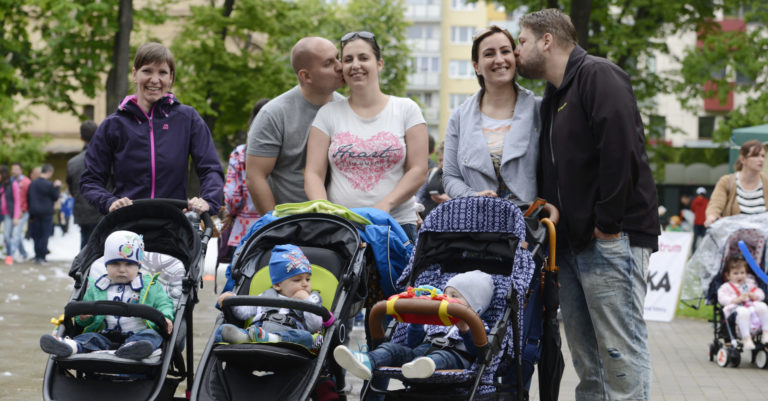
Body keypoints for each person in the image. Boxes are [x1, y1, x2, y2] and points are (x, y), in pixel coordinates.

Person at [515, 9, 659, 400]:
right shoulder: (554, 94)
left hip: (613, 238)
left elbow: (621, 150)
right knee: (589, 363)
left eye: (521, 40)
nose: (516, 50)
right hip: (575, 244)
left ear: (547, 40)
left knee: (619, 354)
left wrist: (607, 223)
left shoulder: (598, 74)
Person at [304, 31, 429, 241]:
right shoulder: (327, 114)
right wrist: (325, 211)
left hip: (396, 225)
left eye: (363, 58)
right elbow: (313, 173)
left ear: (379, 63)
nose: (356, 65)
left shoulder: (407, 109)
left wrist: (385, 206)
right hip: (343, 229)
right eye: (348, 59)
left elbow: (418, 170)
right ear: (341, 67)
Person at [80, 42, 223, 216]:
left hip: (174, 225)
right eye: (147, 71)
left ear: (171, 78)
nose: (154, 80)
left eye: (162, 72)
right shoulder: (114, 125)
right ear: (134, 74)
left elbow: (211, 169)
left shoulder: (188, 119)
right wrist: (109, 202)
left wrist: (207, 200)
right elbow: (90, 180)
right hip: (127, 225)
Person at [245, 37, 345, 216]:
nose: (340, 66)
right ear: (306, 76)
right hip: (295, 228)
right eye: (329, 63)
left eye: (338, 57)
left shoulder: (349, 109)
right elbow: (255, 177)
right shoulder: (274, 114)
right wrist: (276, 226)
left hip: (347, 225)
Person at [333, 270, 494, 380]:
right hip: (416, 358)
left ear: (474, 306)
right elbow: (413, 343)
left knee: (442, 357)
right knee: (392, 348)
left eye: (454, 296)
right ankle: (366, 361)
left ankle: (424, 366)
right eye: (445, 293)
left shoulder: (478, 324)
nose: (446, 298)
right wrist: (417, 322)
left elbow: (477, 352)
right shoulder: (439, 320)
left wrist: (465, 328)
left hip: (453, 359)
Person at [39, 230, 174, 360]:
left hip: (138, 335)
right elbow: (83, 318)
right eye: (115, 263)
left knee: (152, 335)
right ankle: (70, 346)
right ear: (106, 265)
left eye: (128, 264)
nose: (122, 269)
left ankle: (133, 348)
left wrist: (166, 318)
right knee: (90, 337)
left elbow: (164, 303)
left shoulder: (150, 286)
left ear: (138, 266)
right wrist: (83, 318)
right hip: (105, 335)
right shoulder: (97, 287)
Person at [443, 25, 540, 204]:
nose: (499, 59)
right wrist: (472, 197)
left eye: (505, 51)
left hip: (531, 224)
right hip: (478, 224)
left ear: (515, 57)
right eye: (489, 54)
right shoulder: (459, 118)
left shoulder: (539, 109)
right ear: (476, 66)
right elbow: (450, 177)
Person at [215, 244, 324, 350]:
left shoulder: (310, 300)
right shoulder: (266, 296)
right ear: (277, 285)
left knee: (306, 337)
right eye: (297, 280)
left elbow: (315, 326)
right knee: (221, 330)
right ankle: (245, 337)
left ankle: (272, 338)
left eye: (308, 279)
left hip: (289, 338)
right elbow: (243, 312)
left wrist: (307, 302)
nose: (305, 284)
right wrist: (232, 298)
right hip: (260, 331)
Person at [220, 99, 270, 263]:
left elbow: (233, 196)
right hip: (276, 224)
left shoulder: (240, 153)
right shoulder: (282, 153)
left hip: (244, 228)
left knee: (241, 279)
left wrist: (230, 212)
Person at [705, 140, 768, 226]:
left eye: (763, 156)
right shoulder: (727, 181)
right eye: (755, 155)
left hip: (764, 237)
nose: (761, 159)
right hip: (735, 237)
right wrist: (712, 217)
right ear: (742, 159)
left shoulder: (766, 182)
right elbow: (715, 204)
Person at [717, 255, 768, 350]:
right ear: (728, 275)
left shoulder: (749, 284)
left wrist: (755, 295)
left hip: (754, 317)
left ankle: (766, 332)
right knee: (743, 311)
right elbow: (721, 299)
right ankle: (746, 338)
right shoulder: (726, 287)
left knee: (763, 305)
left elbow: (760, 293)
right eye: (735, 273)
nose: (740, 276)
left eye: (742, 273)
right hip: (737, 317)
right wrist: (736, 300)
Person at [67, 120, 102, 249]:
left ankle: (83, 268)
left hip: (83, 211)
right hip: (103, 210)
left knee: (85, 245)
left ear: (81, 137)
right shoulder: (108, 158)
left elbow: (71, 188)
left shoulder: (72, 162)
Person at [27, 164, 61, 265]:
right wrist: (57, 187)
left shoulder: (32, 183)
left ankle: (37, 256)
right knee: (44, 235)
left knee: (36, 235)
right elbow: (55, 197)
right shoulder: (49, 184)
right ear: (49, 172)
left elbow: (28, 198)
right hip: (46, 213)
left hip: (33, 213)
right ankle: (42, 257)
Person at [415, 141, 450, 218]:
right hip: (427, 218)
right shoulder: (432, 172)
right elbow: (420, 194)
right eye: (439, 160)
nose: (441, 164)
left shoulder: (459, 176)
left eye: (444, 160)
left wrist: (450, 199)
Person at [0, 165, 21, 265]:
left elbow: (17, 201)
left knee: (7, 235)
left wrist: (16, 217)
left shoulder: (13, 184)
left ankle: (9, 255)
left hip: (9, 213)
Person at [10, 163, 30, 262]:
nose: (14, 171)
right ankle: (24, 253)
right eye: (13, 169)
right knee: (17, 233)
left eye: (16, 169)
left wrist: (23, 209)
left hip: (23, 211)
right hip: (12, 212)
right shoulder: (10, 181)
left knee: (16, 233)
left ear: (21, 170)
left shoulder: (26, 182)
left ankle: (11, 254)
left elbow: (29, 197)